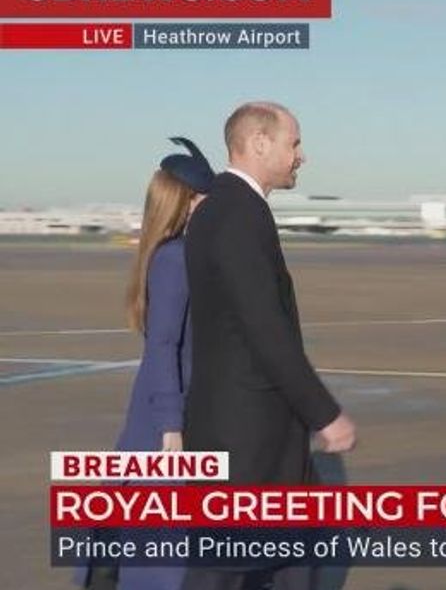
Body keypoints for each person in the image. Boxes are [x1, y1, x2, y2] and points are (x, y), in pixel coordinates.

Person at [182, 102, 356, 590]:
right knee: (225, 570)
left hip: (252, 436)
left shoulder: (224, 206)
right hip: (245, 441)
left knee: (286, 561)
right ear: (260, 143)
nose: (301, 155)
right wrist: (324, 412)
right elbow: (264, 328)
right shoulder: (238, 213)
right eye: (293, 142)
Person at [77, 137, 216, 590]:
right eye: (205, 198)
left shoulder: (181, 254)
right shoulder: (175, 259)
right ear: (185, 202)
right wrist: (170, 426)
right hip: (164, 413)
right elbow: (162, 346)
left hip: (164, 405)